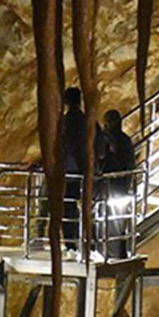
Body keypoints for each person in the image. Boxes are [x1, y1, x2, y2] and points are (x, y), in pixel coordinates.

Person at [60, 87, 106, 253]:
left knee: (69, 209)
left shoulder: (63, 123)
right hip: (88, 174)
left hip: (69, 174)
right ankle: (91, 242)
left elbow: (57, 147)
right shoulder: (89, 121)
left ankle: (70, 243)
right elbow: (100, 149)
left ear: (66, 102)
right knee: (89, 208)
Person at [98, 109, 137, 259]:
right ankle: (113, 251)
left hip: (111, 185)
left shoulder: (112, 140)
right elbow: (130, 164)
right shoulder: (123, 140)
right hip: (116, 186)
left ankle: (111, 251)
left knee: (111, 220)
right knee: (115, 221)